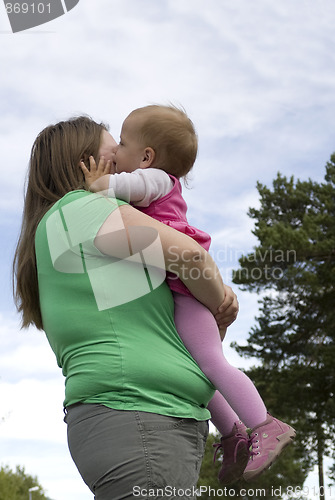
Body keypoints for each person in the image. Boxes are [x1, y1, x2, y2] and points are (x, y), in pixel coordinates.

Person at [13, 115, 239, 500]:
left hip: (146, 419)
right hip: (138, 417)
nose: (121, 151)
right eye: (113, 144)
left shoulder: (79, 228)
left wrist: (212, 316)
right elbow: (193, 258)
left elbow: (172, 333)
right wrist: (221, 298)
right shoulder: (81, 208)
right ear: (85, 160)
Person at [81, 104, 296, 484]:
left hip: (187, 291)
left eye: (124, 145)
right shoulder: (156, 182)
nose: (117, 155)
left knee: (211, 362)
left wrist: (96, 183)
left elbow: (119, 190)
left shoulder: (156, 180)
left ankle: (264, 424)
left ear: (147, 157)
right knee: (193, 365)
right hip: (178, 290)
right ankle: (233, 434)